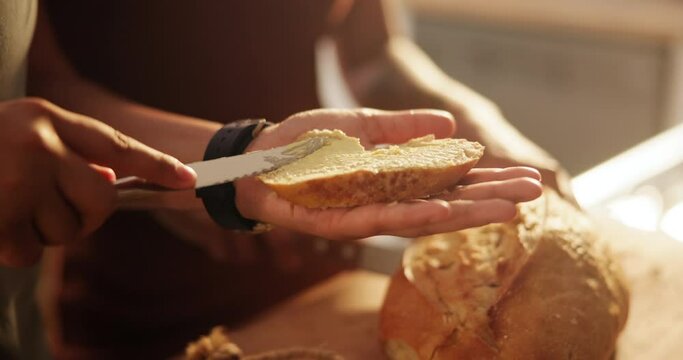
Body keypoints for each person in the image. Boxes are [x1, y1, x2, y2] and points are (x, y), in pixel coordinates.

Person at [0, 1, 545, 358]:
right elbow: (47, 90)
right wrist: (204, 179)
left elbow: (373, 53)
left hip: (310, 260)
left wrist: (240, 165)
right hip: (142, 296)